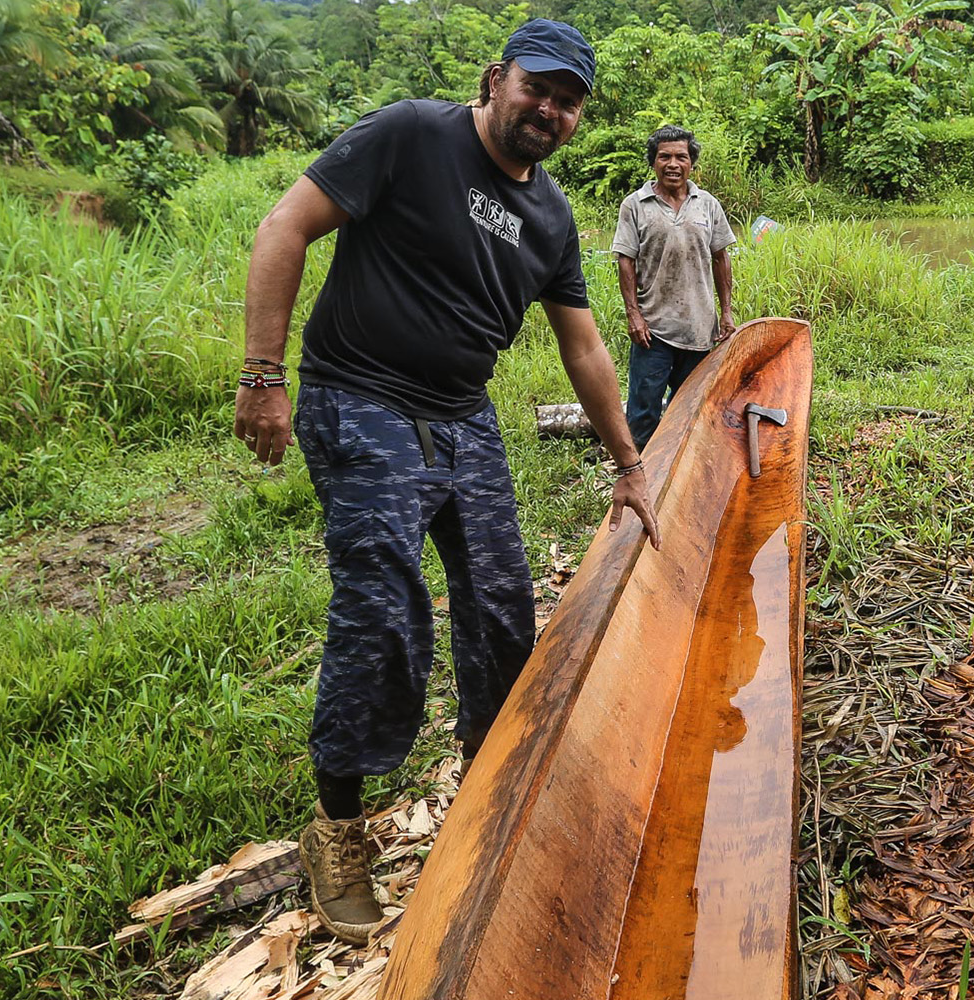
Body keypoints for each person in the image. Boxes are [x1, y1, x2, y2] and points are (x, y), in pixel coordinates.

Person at [230, 19, 660, 945]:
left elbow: (582, 344)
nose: (549, 109)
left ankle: (488, 789)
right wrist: (264, 373)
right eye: (537, 87)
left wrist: (630, 464)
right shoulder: (411, 134)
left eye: (569, 100)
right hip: (360, 396)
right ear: (495, 78)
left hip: (465, 418)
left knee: (504, 611)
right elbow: (285, 226)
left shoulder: (550, 217)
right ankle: (338, 829)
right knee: (384, 607)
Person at [613, 125, 737, 449]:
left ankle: (681, 479)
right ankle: (641, 477)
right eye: (664, 156)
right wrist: (634, 315)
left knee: (691, 411)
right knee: (643, 413)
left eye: (680, 157)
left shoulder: (707, 204)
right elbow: (625, 260)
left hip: (699, 330)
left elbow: (721, 258)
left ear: (691, 163)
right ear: (653, 162)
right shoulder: (635, 205)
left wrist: (726, 313)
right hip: (653, 331)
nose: (672, 163)